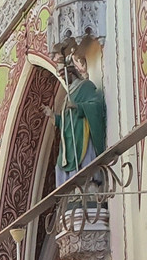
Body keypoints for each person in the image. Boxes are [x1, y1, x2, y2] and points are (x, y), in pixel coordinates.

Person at [42, 55, 106, 186]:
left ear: (71, 74)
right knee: (61, 162)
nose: (65, 81)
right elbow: (66, 121)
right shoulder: (68, 95)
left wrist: (79, 106)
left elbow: (96, 105)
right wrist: (53, 116)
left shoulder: (85, 86)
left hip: (81, 135)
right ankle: (71, 190)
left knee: (83, 160)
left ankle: (88, 185)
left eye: (66, 77)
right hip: (69, 140)